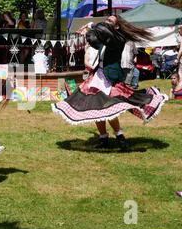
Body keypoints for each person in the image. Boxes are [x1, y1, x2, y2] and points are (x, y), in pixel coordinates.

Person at [52, 15, 168, 149]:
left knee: (109, 107)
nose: (107, 22)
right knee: (95, 107)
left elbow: (102, 30)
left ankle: (120, 136)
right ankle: (103, 138)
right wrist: (88, 32)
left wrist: (91, 26)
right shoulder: (105, 39)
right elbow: (94, 40)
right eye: (107, 20)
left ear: (117, 26)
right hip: (97, 77)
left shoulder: (118, 38)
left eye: (110, 21)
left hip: (110, 78)